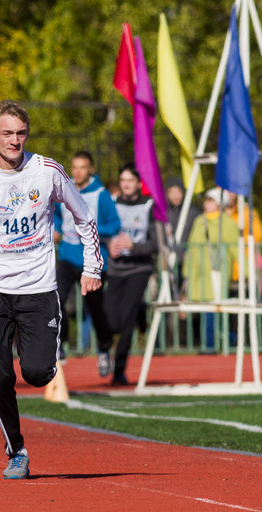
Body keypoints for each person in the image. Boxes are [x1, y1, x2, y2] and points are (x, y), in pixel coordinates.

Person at [0, 99, 102, 479]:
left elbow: (83, 216)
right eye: (7, 133)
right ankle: (16, 450)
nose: (15, 140)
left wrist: (92, 265)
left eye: (21, 133)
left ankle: (46, 356)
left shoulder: (46, 171)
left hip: (38, 287)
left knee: (36, 373)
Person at [54, 151, 119, 375]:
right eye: (74, 167)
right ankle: (58, 347)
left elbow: (114, 224)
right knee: (56, 300)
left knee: (96, 309)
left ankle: (103, 349)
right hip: (67, 257)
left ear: (91, 170)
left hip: (91, 261)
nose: (78, 172)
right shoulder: (63, 189)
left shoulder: (100, 194)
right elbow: (55, 213)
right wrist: (55, 228)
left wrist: (91, 230)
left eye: (82, 167)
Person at [106, 164, 158, 386]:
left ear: (139, 183)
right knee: (110, 318)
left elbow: (155, 244)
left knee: (126, 318)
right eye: (122, 180)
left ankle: (119, 370)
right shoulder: (112, 203)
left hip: (139, 269)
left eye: (130, 180)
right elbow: (100, 230)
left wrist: (133, 245)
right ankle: (140, 311)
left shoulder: (149, 206)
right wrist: (109, 244)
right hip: (116, 268)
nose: (126, 184)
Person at [184, 188, 238, 352]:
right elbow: (192, 248)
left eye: (212, 201)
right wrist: (187, 271)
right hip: (198, 274)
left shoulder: (226, 222)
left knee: (213, 310)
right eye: (207, 200)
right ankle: (220, 341)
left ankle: (212, 345)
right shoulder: (199, 220)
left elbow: (235, 249)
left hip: (217, 272)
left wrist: (246, 271)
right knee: (204, 311)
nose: (208, 204)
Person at [165, 177, 200, 286]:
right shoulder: (163, 212)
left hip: (186, 260)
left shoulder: (192, 213)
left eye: (178, 192)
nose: (175, 196)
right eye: (172, 192)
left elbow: (197, 235)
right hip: (167, 259)